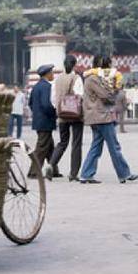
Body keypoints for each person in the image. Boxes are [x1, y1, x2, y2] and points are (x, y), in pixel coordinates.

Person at [79, 55, 138, 184]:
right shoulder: (94, 79)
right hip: (101, 116)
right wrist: (115, 90)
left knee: (96, 146)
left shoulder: (92, 78)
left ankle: (86, 174)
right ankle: (124, 174)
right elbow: (105, 95)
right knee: (114, 146)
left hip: (96, 116)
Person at [47, 54, 84, 182]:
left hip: (62, 115)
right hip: (75, 115)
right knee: (76, 143)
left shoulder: (57, 79)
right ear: (75, 64)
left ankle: (51, 164)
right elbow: (80, 95)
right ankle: (73, 173)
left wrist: (60, 108)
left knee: (62, 142)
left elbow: (52, 99)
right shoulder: (76, 78)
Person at [27, 64, 58, 178]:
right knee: (42, 147)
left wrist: (37, 114)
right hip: (45, 121)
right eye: (52, 73)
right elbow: (46, 105)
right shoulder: (46, 87)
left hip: (39, 120)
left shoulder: (36, 86)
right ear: (48, 74)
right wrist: (54, 113)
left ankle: (53, 169)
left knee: (49, 146)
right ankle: (33, 172)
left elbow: (30, 103)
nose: (53, 75)